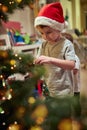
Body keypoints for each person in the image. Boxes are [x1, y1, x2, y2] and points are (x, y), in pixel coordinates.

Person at [34, 2, 77, 98]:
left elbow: (71, 65)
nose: (45, 36)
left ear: (58, 28)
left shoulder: (66, 44)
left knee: (64, 113)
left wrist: (50, 59)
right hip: (48, 88)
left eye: (48, 32)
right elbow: (38, 61)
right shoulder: (44, 45)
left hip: (63, 91)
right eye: (42, 33)